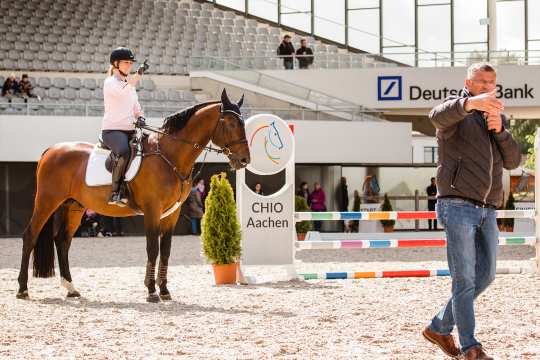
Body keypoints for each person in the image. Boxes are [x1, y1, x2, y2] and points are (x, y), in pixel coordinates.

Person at [422, 63, 521, 360]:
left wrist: (500, 131)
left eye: (491, 82)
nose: (487, 85)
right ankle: (470, 347)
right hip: (457, 205)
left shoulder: (496, 118)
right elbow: (435, 117)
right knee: (464, 279)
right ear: (469, 82)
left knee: (486, 275)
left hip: (488, 208)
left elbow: (514, 161)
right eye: (481, 81)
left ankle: (439, 326)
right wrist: (469, 103)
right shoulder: (455, 113)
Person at [101, 47, 149, 207]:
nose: (129, 66)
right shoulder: (111, 83)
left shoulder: (129, 85)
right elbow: (126, 88)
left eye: (131, 63)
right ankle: (115, 192)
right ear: (116, 64)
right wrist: (139, 74)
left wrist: (140, 116)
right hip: (112, 131)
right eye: (126, 62)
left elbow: (135, 106)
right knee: (124, 151)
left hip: (130, 130)